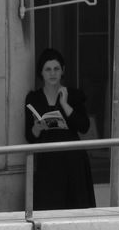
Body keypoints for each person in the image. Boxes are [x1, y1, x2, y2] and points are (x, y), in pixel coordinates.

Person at [25, 48, 96, 210]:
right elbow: (29, 136)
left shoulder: (74, 95)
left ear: (63, 70)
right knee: (48, 208)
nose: (52, 73)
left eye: (56, 68)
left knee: (75, 208)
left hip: (73, 159)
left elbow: (84, 127)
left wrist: (65, 104)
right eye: (48, 69)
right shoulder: (33, 98)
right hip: (48, 161)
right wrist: (37, 128)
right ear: (41, 72)